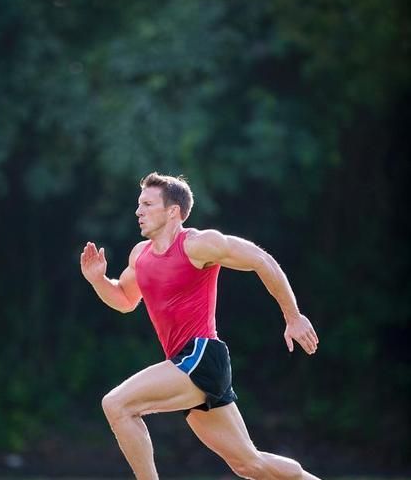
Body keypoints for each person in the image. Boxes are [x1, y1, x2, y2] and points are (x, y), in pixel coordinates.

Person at [80, 172, 321, 480]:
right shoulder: (140, 255)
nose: (138, 211)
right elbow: (126, 299)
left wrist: (293, 316)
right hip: (187, 365)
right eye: (139, 204)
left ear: (172, 211)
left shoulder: (198, 244)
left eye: (147, 204)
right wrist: (98, 280)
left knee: (116, 404)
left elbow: (261, 259)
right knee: (249, 464)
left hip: (201, 356)